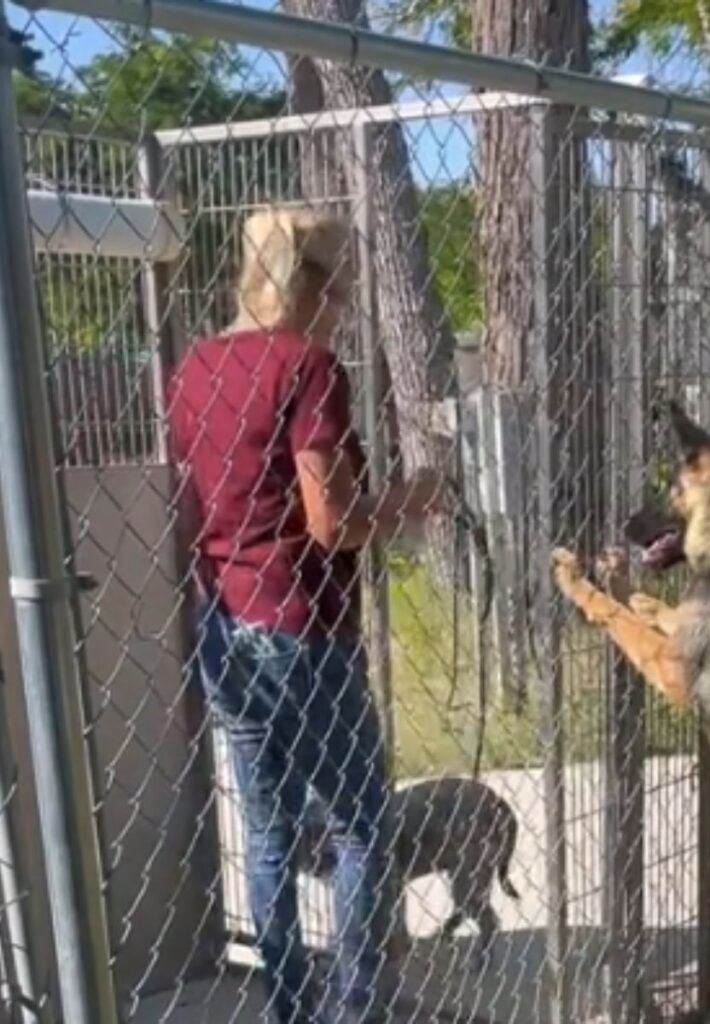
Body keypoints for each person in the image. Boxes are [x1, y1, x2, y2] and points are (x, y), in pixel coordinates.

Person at [167, 207, 441, 1023]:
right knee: (362, 824)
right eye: (343, 289)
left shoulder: (195, 367)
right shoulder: (309, 365)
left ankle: (290, 1006)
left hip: (225, 622)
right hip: (302, 626)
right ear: (309, 287)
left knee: (270, 834)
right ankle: (355, 1007)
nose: (345, 307)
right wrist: (411, 500)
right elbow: (332, 521)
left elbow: (191, 507)